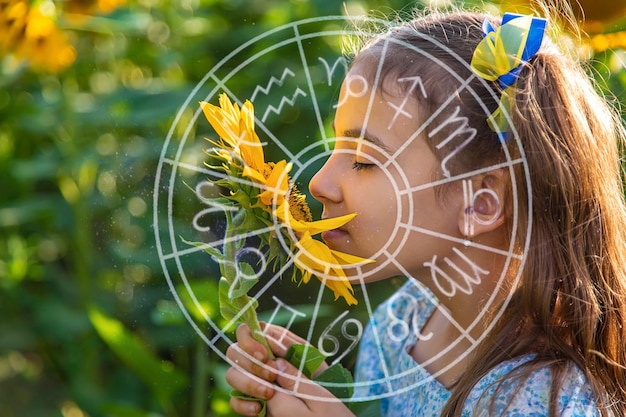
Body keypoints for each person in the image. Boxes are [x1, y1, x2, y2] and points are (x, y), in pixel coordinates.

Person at [224, 5, 626, 417]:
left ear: (481, 202)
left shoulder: (546, 401)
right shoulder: (398, 327)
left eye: (363, 160)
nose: (318, 184)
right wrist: (318, 391)